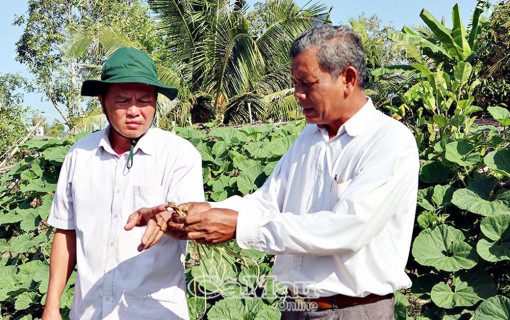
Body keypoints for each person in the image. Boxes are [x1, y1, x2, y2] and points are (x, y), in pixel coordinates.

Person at [134, 24, 419, 320]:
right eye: (295, 83)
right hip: (296, 308)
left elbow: (346, 229)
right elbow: (266, 201)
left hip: (354, 311)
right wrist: (201, 213)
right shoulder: (309, 138)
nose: (296, 94)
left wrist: (239, 226)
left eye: (307, 83)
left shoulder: (389, 141)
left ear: (348, 78)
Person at [42, 47, 204, 320]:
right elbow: (66, 231)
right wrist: (52, 306)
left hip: (155, 312)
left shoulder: (179, 154)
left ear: (155, 102)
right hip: (89, 312)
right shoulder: (79, 155)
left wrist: (168, 216)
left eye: (143, 100)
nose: (134, 111)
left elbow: (193, 218)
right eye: (122, 100)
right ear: (103, 102)